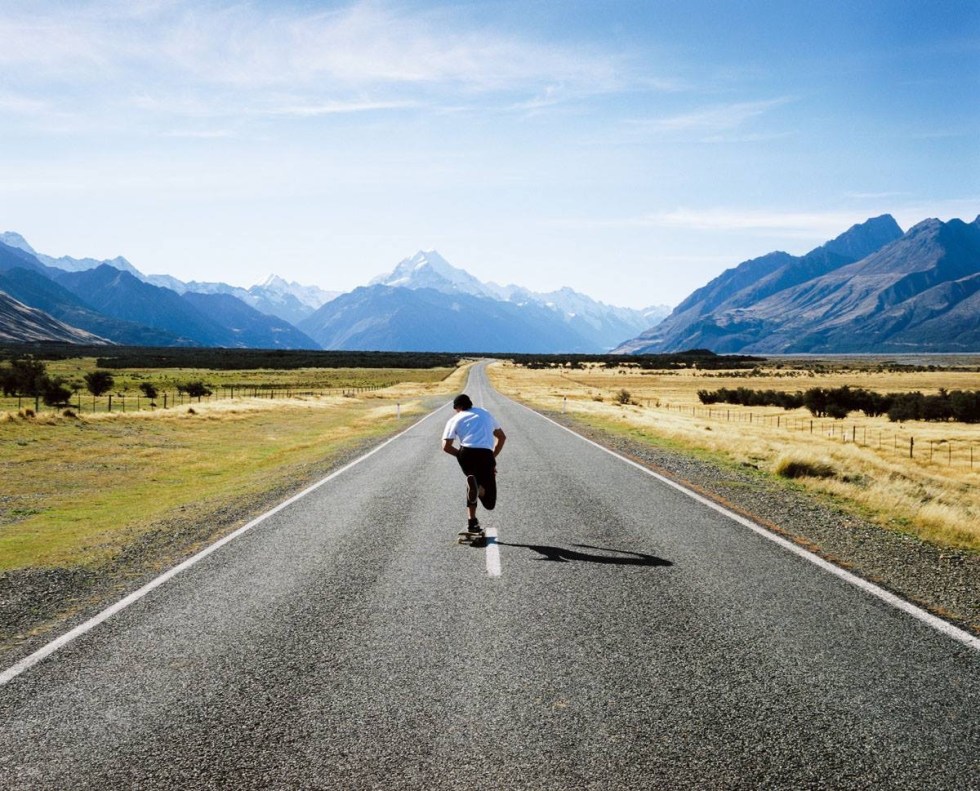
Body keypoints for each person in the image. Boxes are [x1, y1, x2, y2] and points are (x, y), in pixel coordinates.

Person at [441, 393, 506, 537]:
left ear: (458, 407)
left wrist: (460, 455)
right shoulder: (485, 413)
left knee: (473, 483)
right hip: (486, 455)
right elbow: (502, 437)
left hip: (466, 453)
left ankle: (472, 520)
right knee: (490, 503)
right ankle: (480, 491)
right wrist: (492, 458)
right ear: (470, 404)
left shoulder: (454, 419)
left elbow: (446, 446)